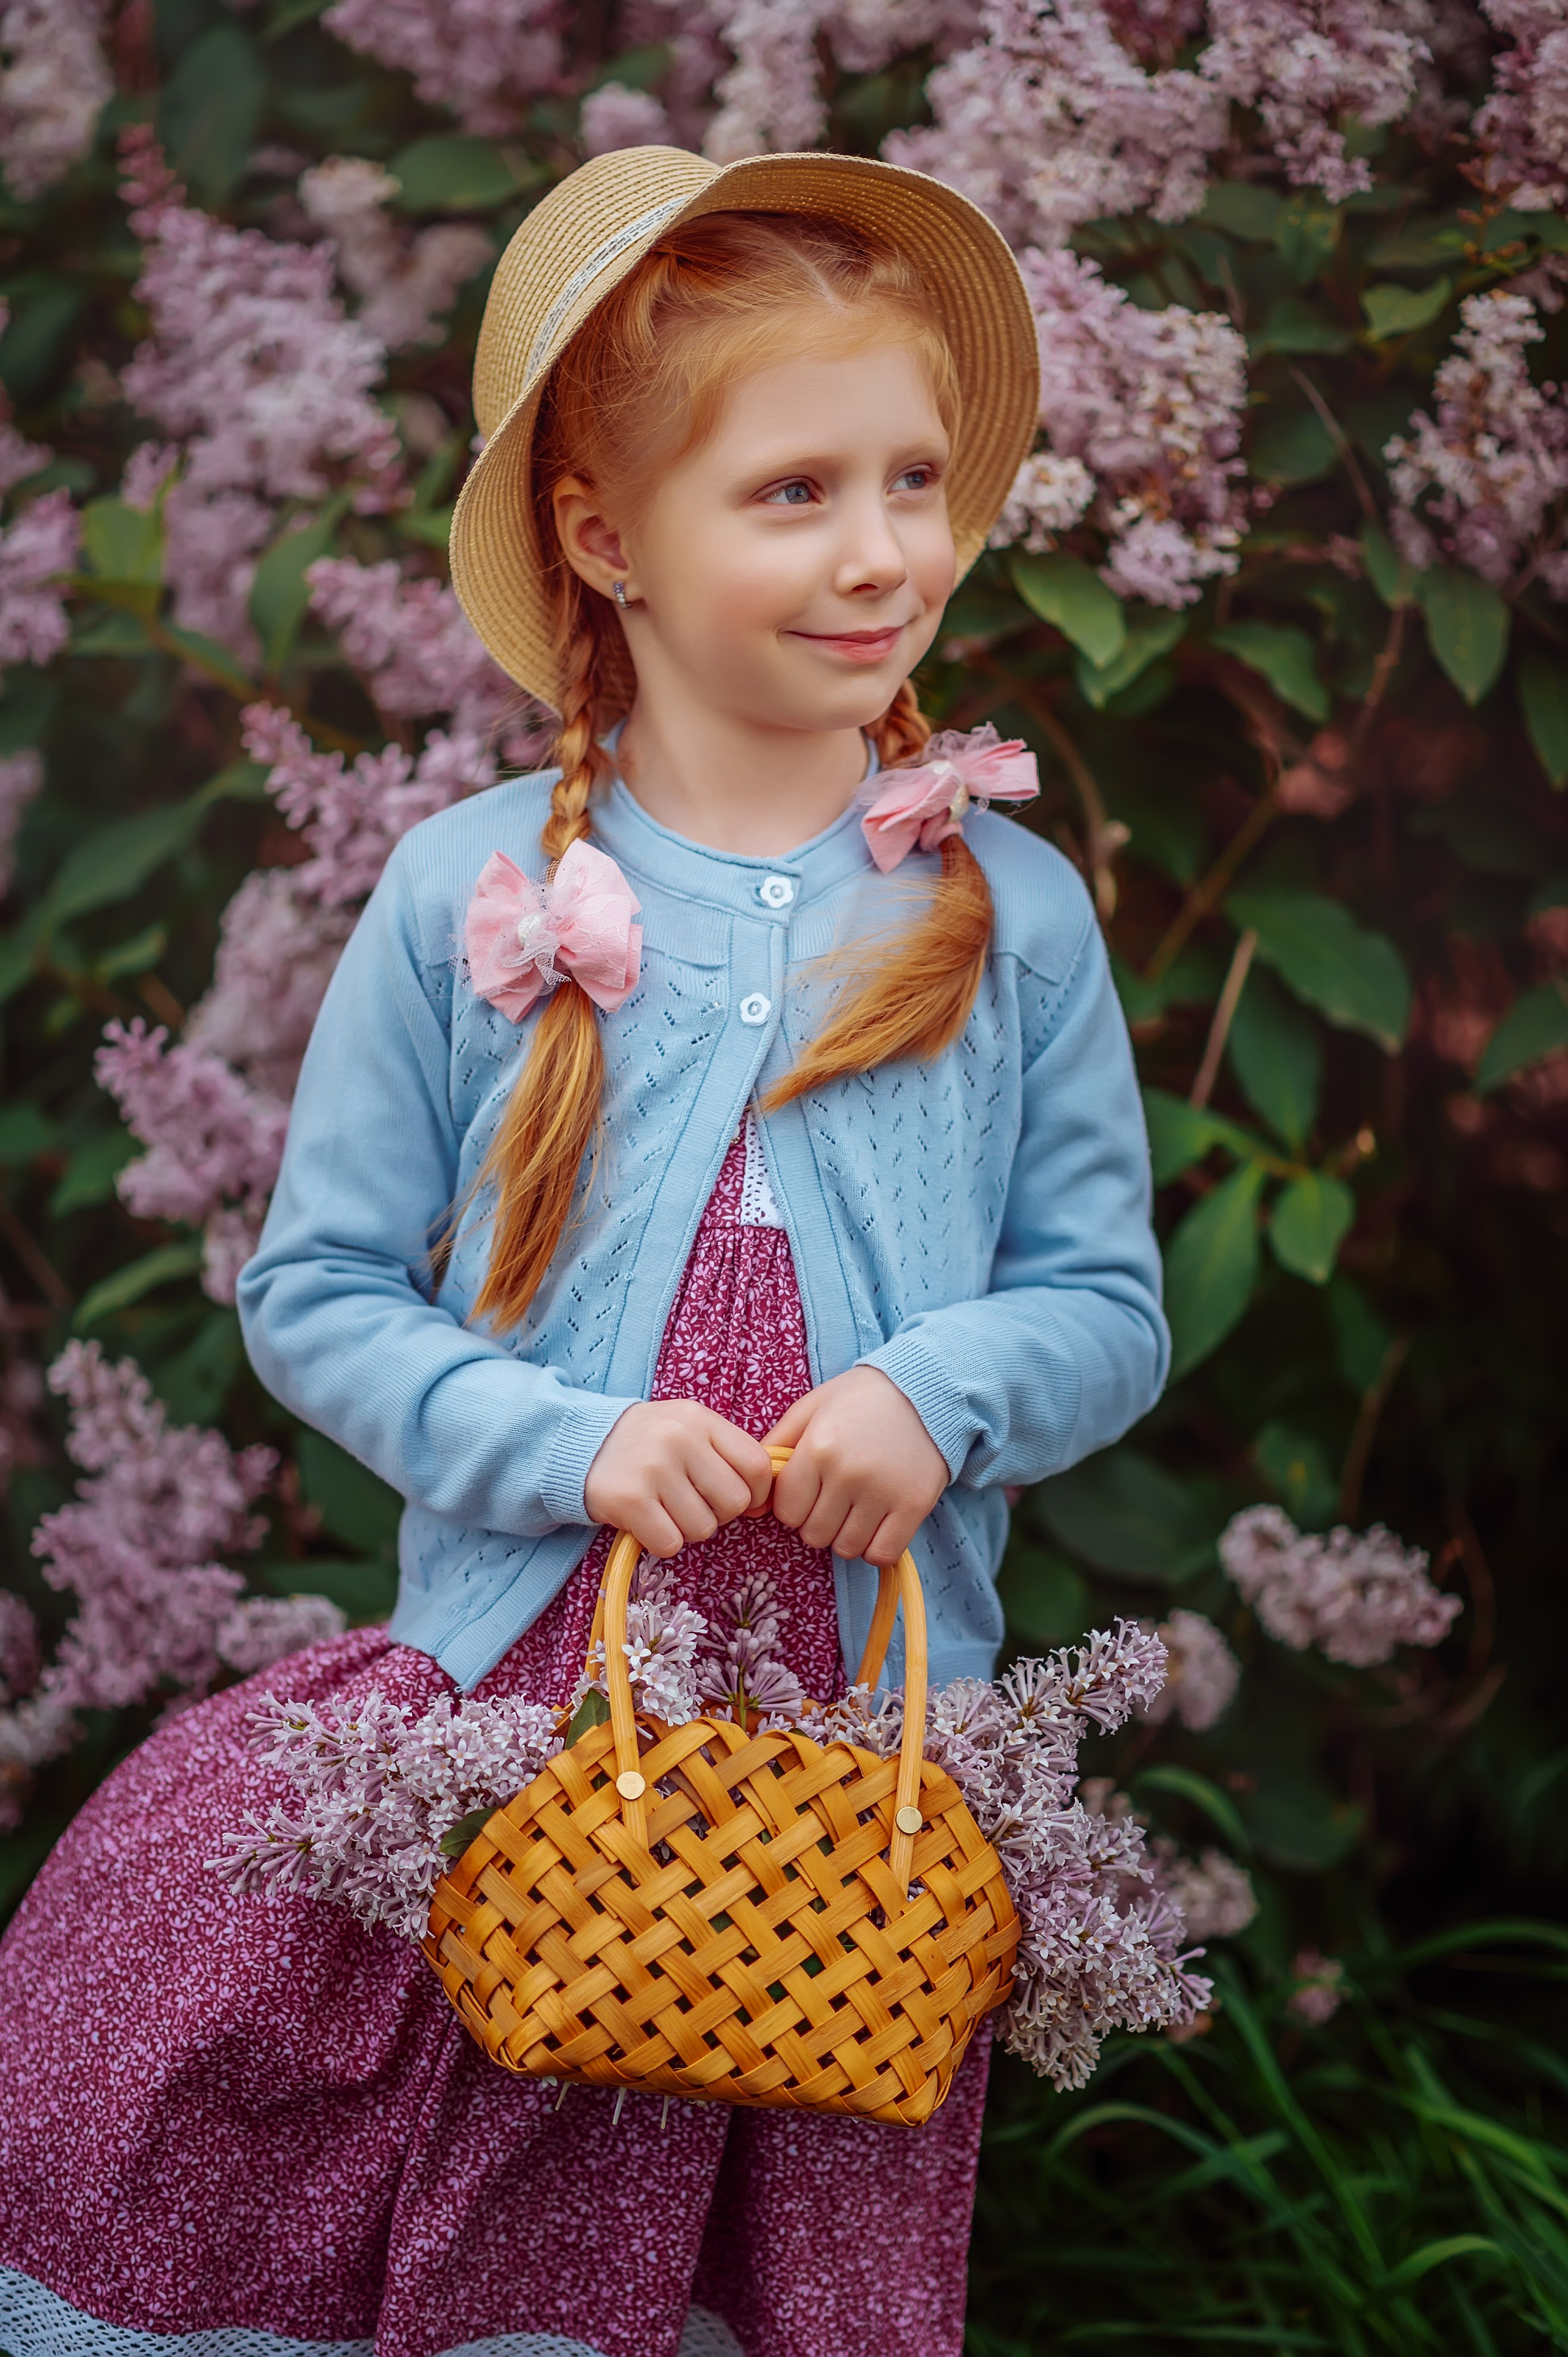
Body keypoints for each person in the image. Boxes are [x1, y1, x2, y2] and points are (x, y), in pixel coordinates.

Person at [0, 148, 1168, 2357]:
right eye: (796, 489)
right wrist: (569, 1440)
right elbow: (316, 1292)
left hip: (844, 1803)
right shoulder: (468, 890)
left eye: (916, 477)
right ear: (607, 536)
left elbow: (1105, 1302)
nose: (883, 549)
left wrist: (939, 1396)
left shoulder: (1005, 913)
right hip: (522, 1743)